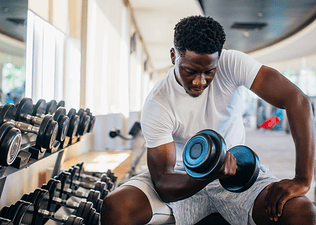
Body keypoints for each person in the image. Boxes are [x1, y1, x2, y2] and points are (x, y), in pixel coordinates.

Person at [101, 15, 316, 225]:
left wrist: (302, 179)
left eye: (209, 72)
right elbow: (163, 182)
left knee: (302, 211)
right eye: (190, 71)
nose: (199, 81)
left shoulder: (233, 63)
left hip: (237, 174)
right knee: (117, 207)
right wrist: (209, 173)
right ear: (174, 56)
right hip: (180, 178)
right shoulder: (158, 103)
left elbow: (297, 100)